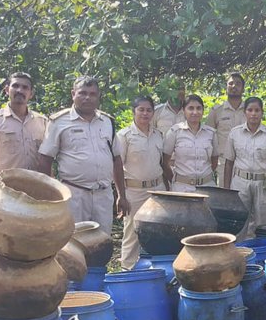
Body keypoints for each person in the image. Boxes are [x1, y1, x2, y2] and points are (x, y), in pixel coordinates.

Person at [38, 76, 126, 229]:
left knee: (102, 243)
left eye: (92, 94)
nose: (87, 98)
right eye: (82, 93)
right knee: (74, 243)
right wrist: (49, 195)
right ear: (73, 94)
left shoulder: (107, 121)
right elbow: (45, 159)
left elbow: (116, 159)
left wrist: (121, 195)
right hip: (74, 195)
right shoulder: (59, 122)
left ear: (98, 96)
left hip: (103, 195)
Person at [222, 97, 266, 239]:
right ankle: (239, 254)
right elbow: (228, 163)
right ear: (245, 112)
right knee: (239, 224)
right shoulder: (235, 133)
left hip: (264, 184)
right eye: (250, 110)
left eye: (257, 110)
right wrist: (227, 192)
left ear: (262, 113)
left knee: (265, 226)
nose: (253, 114)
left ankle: (263, 255)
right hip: (240, 183)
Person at [117, 96, 167, 269]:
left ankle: (156, 269)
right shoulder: (124, 136)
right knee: (132, 232)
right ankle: (127, 270)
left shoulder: (159, 135)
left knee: (159, 230)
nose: (145, 113)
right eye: (141, 109)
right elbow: (116, 167)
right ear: (134, 111)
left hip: (157, 189)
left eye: (149, 110)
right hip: (134, 191)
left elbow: (163, 163)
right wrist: (120, 195)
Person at [0, 71, 47, 174]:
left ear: (31, 94)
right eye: (15, 86)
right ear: (7, 90)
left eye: (25, 87)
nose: (20, 90)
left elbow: (47, 161)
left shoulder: (42, 121)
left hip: (36, 187)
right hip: (6, 187)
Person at [163, 94, 217, 192]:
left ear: (203, 111)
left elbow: (214, 161)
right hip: (182, 187)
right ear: (184, 111)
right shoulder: (175, 132)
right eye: (190, 108)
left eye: (198, 108)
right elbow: (164, 162)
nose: (195, 112)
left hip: (207, 186)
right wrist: (174, 179)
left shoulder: (211, 133)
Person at [206, 72, 247, 180]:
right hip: (223, 162)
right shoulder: (216, 111)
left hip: (246, 161)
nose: (234, 86)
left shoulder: (249, 110)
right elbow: (208, 137)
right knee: (225, 194)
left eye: (238, 84)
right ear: (226, 88)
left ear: (243, 89)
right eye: (231, 83)